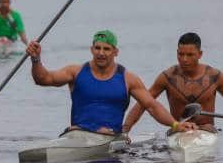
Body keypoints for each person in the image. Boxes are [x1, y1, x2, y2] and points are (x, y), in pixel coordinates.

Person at [26, 30, 197, 136]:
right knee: (75, 132)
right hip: (76, 135)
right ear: (91, 49)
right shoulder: (75, 72)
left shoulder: (128, 79)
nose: (101, 53)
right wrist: (35, 59)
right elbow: (43, 79)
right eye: (98, 48)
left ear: (116, 52)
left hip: (110, 138)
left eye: (106, 49)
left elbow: (152, 106)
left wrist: (175, 124)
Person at [122, 32, 223, 134]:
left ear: (200, 54)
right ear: (177, 53)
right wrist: (125, 130)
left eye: (190, 55)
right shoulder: (167, 77)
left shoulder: (214, 76)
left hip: (206, 130)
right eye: (181, 54)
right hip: (178, 130)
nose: (184, 59)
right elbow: (143, 103)